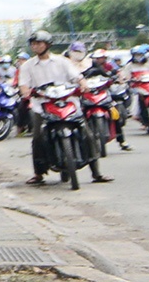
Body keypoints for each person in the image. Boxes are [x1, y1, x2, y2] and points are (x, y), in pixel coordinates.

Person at [19, 35, 99, 185]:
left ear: (48, 44)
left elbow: (77, 77)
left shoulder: (62, 61)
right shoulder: (27, 66)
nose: (35, 46)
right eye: (33, 44)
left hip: (67, 101)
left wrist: (83, 84)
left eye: (38, 43)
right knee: (37, 138)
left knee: (88, 134)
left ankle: (96, 173)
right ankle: (38, 173)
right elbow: (23, 84)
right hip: (42, 104)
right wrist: (26, 91)